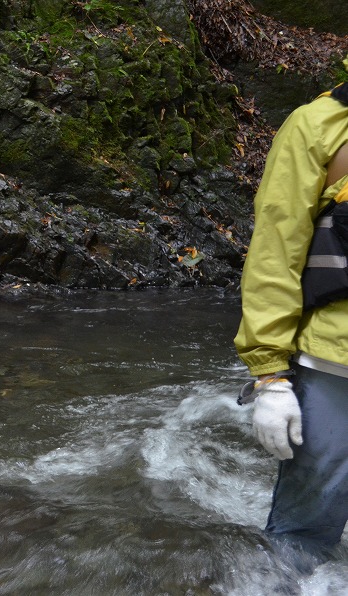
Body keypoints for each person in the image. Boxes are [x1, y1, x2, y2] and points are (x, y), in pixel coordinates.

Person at [234, 83, 348, 558]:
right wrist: (270, 377)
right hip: (334, 367)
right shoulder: (318, 124)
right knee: (303, 537)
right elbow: (275, 254)